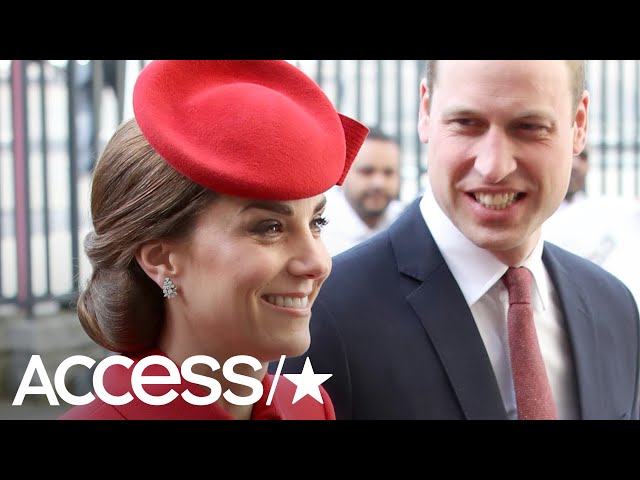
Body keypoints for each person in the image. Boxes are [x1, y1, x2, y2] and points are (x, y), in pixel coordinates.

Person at [276, 60, 640, 420]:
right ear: (425, 111)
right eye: (466, 123)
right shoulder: (322, 314)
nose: (493, 166)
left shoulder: (614, 308)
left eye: (529, 127)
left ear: (579, 124)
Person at [59, 60, 369, 420]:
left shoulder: (309, 406)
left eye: (317, 222)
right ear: (160, 258)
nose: (318, 263)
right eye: (269, 228)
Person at [544, 147, 640, 303]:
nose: (575, 165)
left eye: (582, 157)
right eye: (569, 154)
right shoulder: (532, 216)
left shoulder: (602, 211)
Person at [321, 126, 406, 255]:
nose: (379, 183)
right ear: (344, 172)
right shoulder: (318, 230)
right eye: (367, 171)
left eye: (388, 173)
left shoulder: (406, 223)